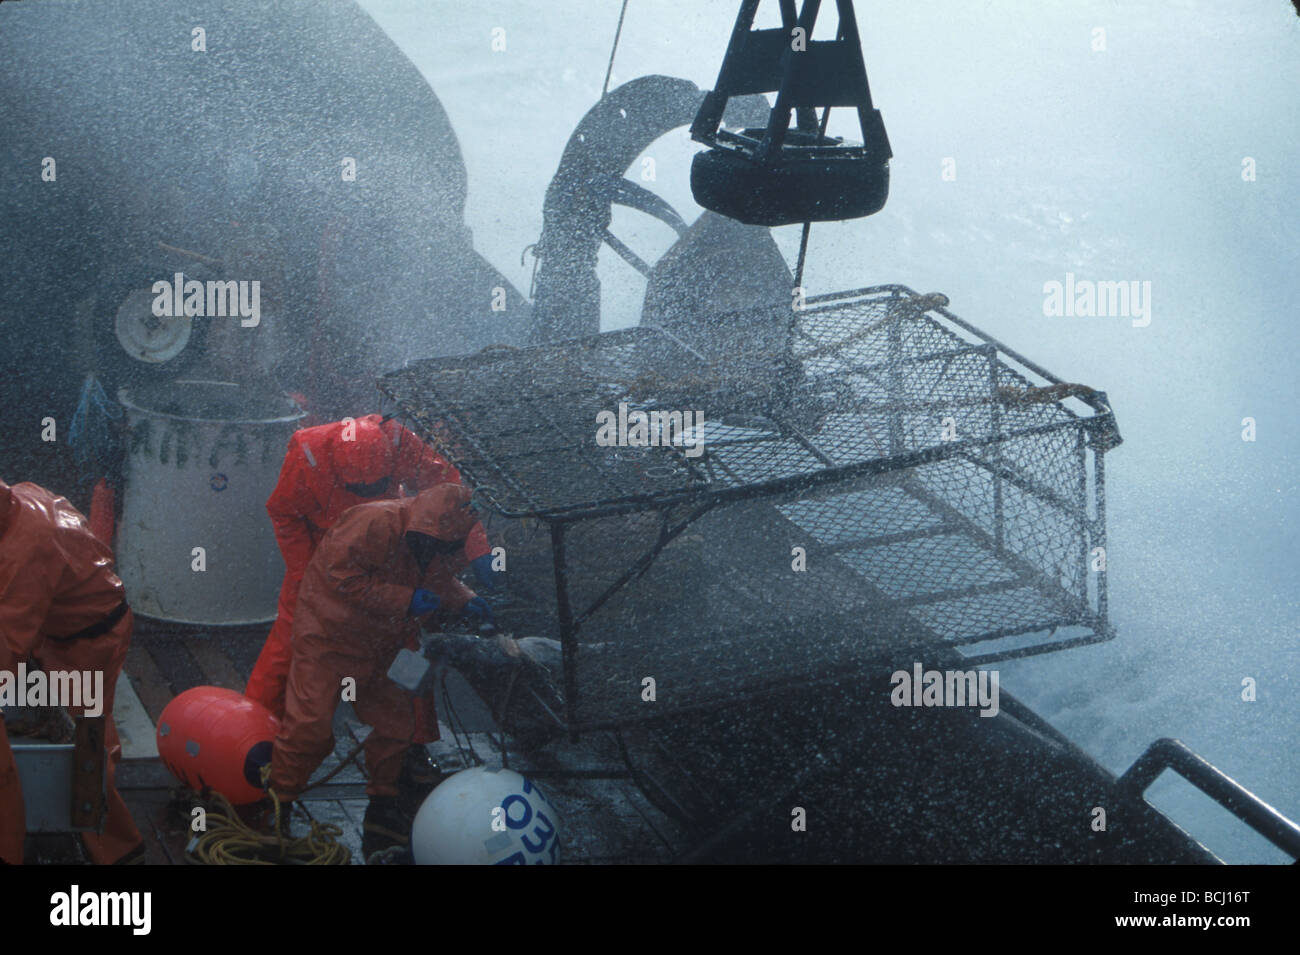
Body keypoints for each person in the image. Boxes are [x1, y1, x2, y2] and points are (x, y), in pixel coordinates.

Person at [267, 483, 493, 857]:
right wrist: (405, 599)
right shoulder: (373, 522)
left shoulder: (440, 539)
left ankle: (383, 805)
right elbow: (342, 579)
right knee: (309, 727)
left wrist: (464, 600)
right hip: (330, 637)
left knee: (399, 722)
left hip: (384, 643)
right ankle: (278, 805)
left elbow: (435, 580)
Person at [245, 413, 499, 720]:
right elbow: (285, 515)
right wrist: (306, 573)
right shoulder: (307, 454)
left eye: (375, 486)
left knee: (404, 645)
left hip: (385, 544)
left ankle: (411, 739)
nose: (365, 495)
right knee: (292, 639)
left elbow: (448, 485)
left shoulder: (397, 440)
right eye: (359, 490)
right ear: (337, 469)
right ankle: (252, 727)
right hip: (323, 549)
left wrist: (476, 547)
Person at [0, 478, 143, 865]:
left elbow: (8, 647)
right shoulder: (19, 499)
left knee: (89, 741)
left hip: (90, 640)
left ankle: (116, 848)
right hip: (58, 624)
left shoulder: (27, 552)